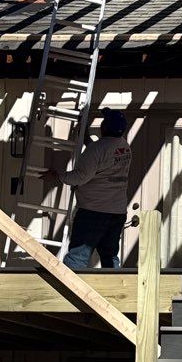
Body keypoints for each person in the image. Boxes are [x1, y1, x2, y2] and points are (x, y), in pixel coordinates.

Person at [61, 112, 135, 268]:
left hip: (93, 211)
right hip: (116, 212)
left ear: (104, 126)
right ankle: (116, 290)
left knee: (77, 258)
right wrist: (85, 135)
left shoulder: (97, 149)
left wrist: (57, 176)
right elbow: (101, 156)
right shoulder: (124, 146)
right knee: (110, 257)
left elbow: (80, 177)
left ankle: (69, 291)